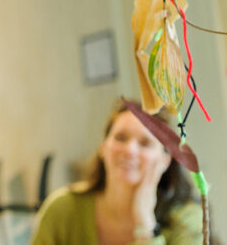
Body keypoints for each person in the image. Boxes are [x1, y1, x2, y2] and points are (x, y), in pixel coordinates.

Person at [31, 98, 203, 244]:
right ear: (103, 148)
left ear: (165, 160)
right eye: (121, 138)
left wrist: (145, 224)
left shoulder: (187, 221)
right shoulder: (61, 209)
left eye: (145, 143)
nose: (130, 150)